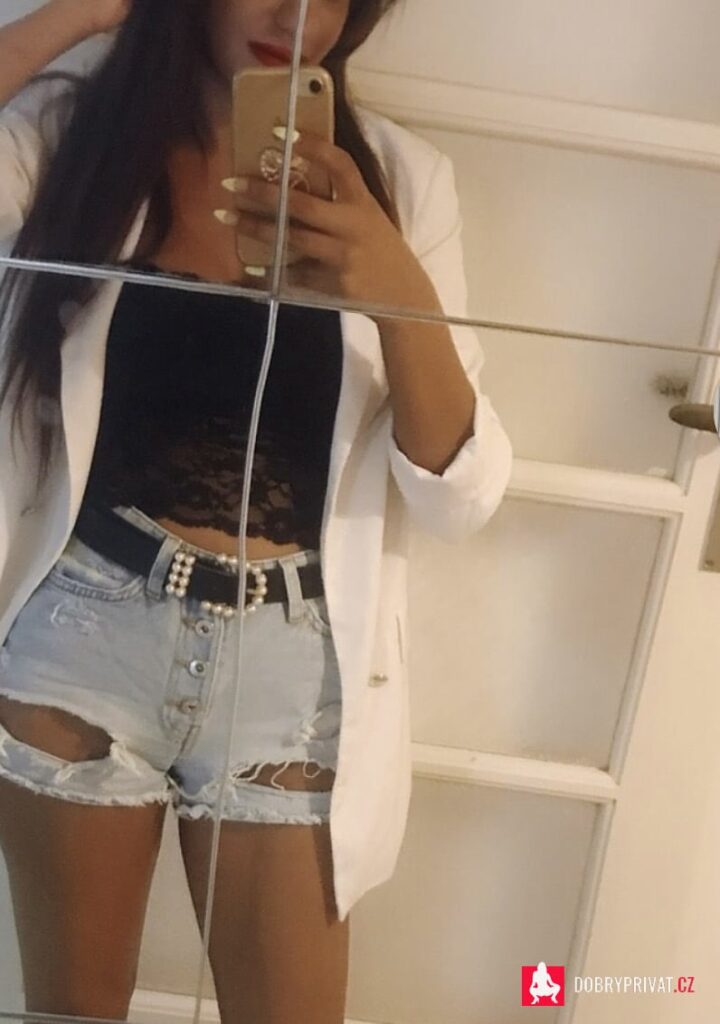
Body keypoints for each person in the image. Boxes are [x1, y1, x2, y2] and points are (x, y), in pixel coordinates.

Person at [0, 1, 513, 1021]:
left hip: (294, 671)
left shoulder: (400, 184)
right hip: (85, 635)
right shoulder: (71, 136)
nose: (297, 13)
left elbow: (462, 496)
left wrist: (395, 287)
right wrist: (85, 13)